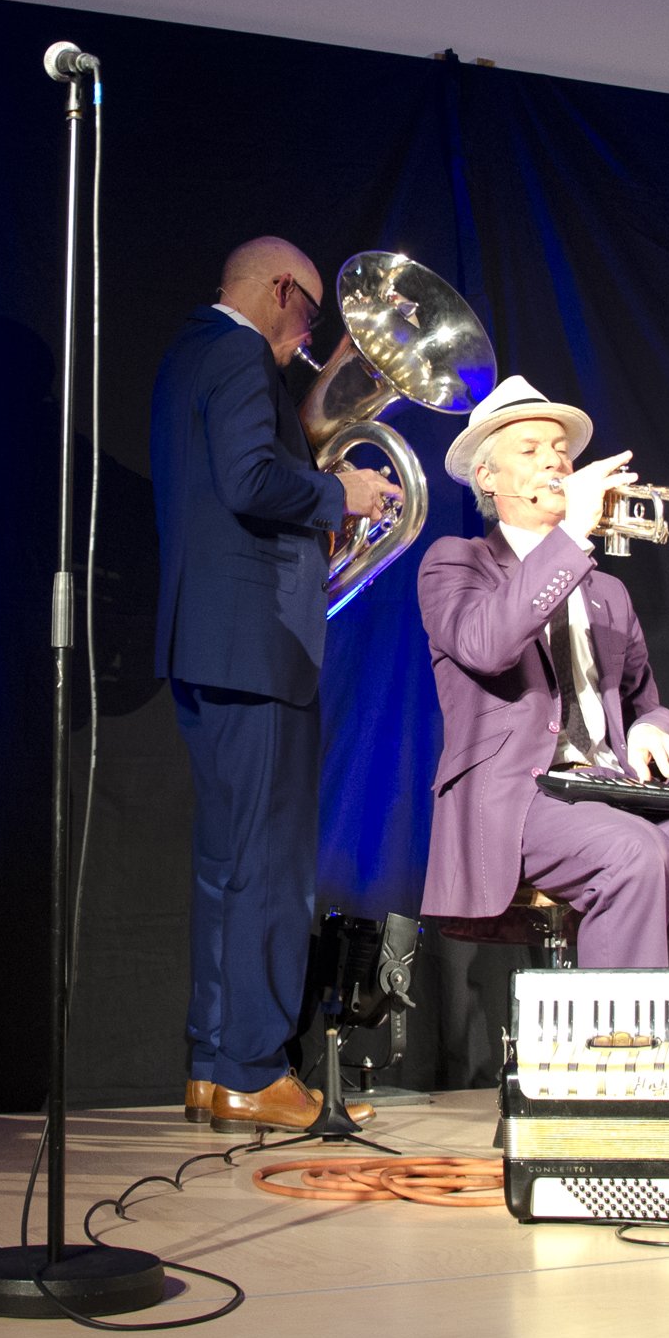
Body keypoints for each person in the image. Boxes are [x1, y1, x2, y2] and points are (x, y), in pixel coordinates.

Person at [417, 375, 669, 1166]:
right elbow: (487, 644)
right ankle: (627, 1096)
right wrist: (571, 539)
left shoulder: (608, 595)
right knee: (634, 854)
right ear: (486, 475)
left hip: (614, 794)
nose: (554, 462)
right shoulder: (456, 563)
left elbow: (643, 701)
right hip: (520, 800)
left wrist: (657, 728)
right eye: (530, 449)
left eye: (560, 449)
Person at [152, 236, 401, 1132]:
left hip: (210, 646)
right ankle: (254, 1070)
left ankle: (216, 1068)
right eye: (310, 317)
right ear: (282, 289)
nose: (310, 339)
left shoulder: (189, 353)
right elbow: (251, 478)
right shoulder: (240, 353)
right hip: (256, 648)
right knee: (269, 870)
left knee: (228, 867)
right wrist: (343, 496)